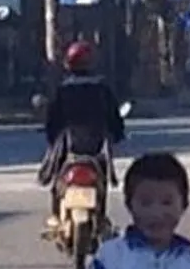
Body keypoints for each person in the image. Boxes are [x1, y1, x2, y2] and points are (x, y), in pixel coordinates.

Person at [42, 40, 127, 224]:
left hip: (68, 145)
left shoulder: (63, 90)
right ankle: (101, 216)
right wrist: (118, 134)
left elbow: (52, 121)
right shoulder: (102, 89)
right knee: (102, 180)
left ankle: (56, 215)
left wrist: (52, 139)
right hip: (96, 146)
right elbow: (114, 118)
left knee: (57, 177)